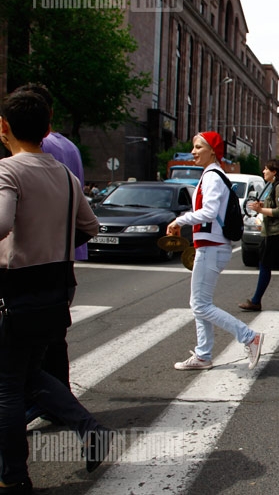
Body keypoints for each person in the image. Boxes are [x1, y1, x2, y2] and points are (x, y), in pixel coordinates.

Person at [0, 90, 111, 492]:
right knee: (31, 373)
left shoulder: (7, 171)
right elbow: (91, 227)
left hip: (16, 290)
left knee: (8, 386)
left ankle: (14, 476)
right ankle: (91, 430)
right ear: (48, 128)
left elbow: (1, 223)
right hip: (58, 288)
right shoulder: (66, 175)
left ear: (3, 127)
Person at [17, 84, 86, 424]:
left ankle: (50, 405)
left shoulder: (38, 150)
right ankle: (61, 404)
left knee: (30, 347)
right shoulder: (69, 146)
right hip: (62, 255)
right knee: (52, 337)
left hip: (33, 259)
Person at [167, 132, 264, 371]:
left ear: (212, 150)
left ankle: (249, 336)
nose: (193, 152)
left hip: (212, 248)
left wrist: (179, 221)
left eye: (198, 147)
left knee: (200, 305)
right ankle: (203, 355)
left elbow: (209, 212)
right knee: (200, 303)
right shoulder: (212, 175)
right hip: (211, 246)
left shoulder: (212, 177)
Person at [238, 159, 279, 312]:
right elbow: (275, 206)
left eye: (266, 169)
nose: (264, 171)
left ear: (274, 172)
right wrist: (262, 206)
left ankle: (256, 301)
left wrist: (260, 210)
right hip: (277, 233)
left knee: (268, 265)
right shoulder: (275, 187)